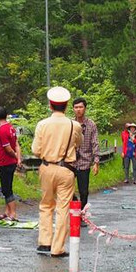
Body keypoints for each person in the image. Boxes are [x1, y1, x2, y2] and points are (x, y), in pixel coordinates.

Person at [32, 86, 81, 257]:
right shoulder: (74, 125)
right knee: (63, 208)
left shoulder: (42, 125)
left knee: (46, 205)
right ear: (67, 105)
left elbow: (36, 150)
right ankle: (57, 247)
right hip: (66, 169)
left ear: (50, 105)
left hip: (46, 167)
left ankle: (44, 242)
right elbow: (79, 143)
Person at [0, 106, 22, 221]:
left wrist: (15, 157)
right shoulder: (11, 127)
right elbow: (16, 144)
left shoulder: (2, 129)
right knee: (7, 186)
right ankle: (7, 211)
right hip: (11, 162)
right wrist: (19, 158)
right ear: (6, 115)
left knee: (6, 189)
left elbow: (8, 148)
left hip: (5, 162)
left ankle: (13, 213)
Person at [71, 97, 99, 209]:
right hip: (70, 161)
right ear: (73, 109)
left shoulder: (91, 124)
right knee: (67, 189)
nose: (78, 110)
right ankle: (74, 207)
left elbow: (95, 142)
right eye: (76, 107)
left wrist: (96, 162)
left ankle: (82, 213)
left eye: (81, 107)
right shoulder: (70, 123)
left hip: (84, 161)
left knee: (84, 191)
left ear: (85, 108)